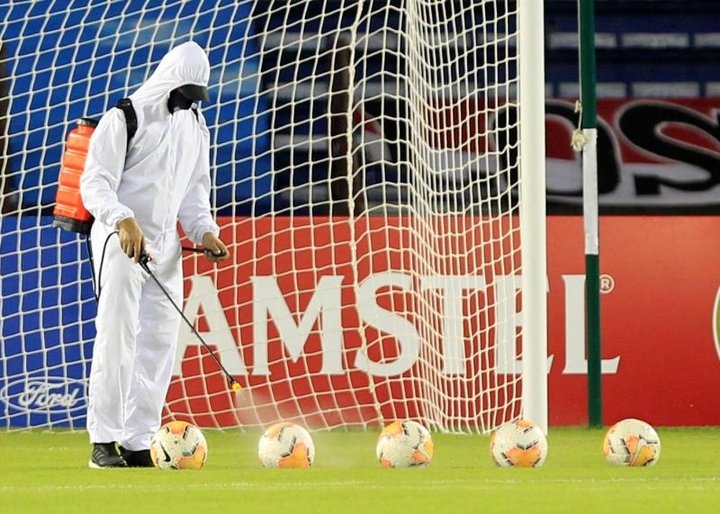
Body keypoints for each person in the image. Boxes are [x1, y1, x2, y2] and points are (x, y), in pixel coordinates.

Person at [80, 41, 229, 468]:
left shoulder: (195, 124)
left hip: (166, 248)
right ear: (168, 81)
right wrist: (122, 218)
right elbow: (95, 184)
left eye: (195, 96)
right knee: (117, 335)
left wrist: (206, 231)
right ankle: (103, 441)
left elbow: (194, 192)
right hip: (120, 240)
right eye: (184, 94)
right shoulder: (124, 117)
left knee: (159, 343)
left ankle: (137, 440)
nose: (188, 102)